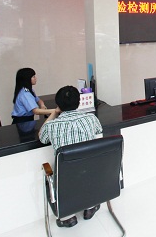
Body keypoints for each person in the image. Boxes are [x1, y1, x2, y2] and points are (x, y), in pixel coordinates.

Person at [39, 85, 103, 228]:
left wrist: (54, 113)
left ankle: (67, 217)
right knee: (85, 169)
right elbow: (99, 130)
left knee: (55, 174)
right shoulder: (91, 119)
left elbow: (42, 137)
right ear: (79, 102)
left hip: (65, 180)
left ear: (58, 105)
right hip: (90, 174)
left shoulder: (52, 126)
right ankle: (90, 207)